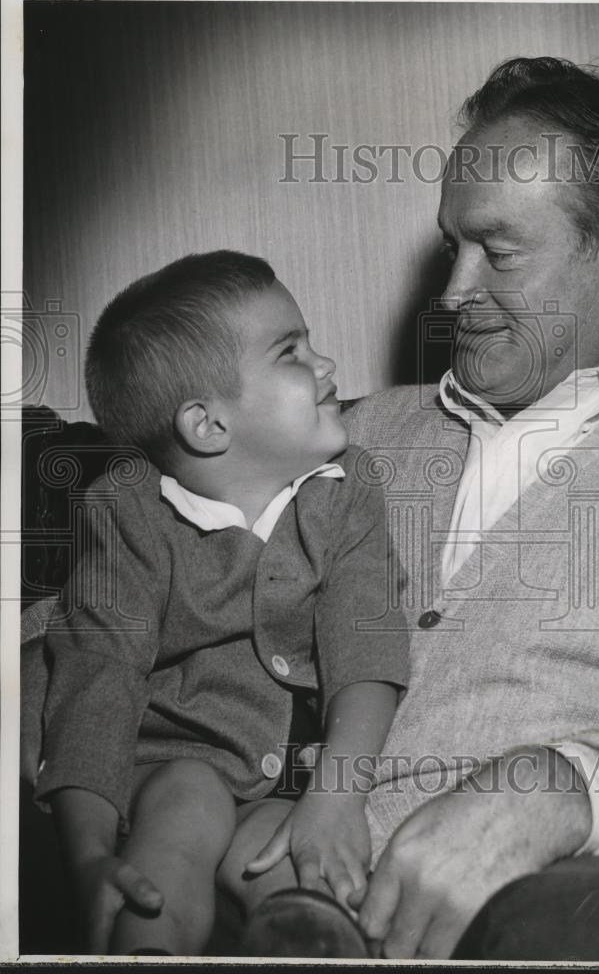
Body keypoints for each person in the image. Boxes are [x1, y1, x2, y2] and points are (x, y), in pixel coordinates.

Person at [339, 57, 599, 961]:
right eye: (451, 247)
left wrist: (553, 790)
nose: (450, 295)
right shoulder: (352, 433)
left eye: (498, 253)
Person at [21, 251, 408, 956]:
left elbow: (367, 648)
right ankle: (148, 945)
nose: (326, 365)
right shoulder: (125, 510)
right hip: (161, 771)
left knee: (294, 862)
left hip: (284, 780)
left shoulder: (347, 487)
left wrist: (335, 795)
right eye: (291, 352)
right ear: (207, 425)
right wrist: (86, 855)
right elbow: (95, 680)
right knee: (187, 804)